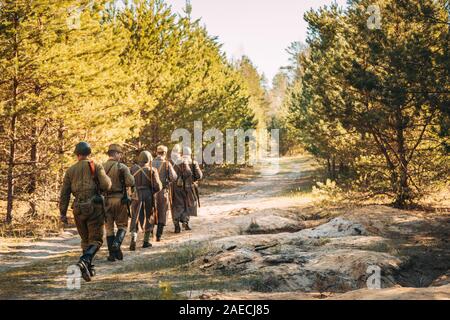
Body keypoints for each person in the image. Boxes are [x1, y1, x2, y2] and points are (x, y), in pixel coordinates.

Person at [59, 142, 112, 282]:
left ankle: (88, 268)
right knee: (97, 240)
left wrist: (62, 213)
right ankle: (84, 260)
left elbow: (64, 193)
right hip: (94, 207)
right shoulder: (96, 165)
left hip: (78, 208)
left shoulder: (70, 170)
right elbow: (107, 185)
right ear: (89, 153)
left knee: (85, 240)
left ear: (77, 154)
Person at [103, 144, 135, 262]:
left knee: (109, 228)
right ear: (116, 154)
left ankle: (112, 255)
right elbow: (131, 182)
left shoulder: (101, 167)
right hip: (120, 200)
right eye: (120, 154)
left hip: (105, 201)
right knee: (122, 225)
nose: (121, 156)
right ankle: (116, 244)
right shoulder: (122, 167)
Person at [129, 151, 162, 250]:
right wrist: (152, 191)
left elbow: (129, 182)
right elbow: (158, 186)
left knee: (135, 216)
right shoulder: (152, 169)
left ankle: (133, 238)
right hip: (148, 195)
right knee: (149, 216)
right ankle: (146, 241)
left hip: (136, 195)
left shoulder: (132, 168)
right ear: (149, 159)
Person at [171, 146, 203, 233]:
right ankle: (185, 222)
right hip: (189, 187)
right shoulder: (193, 162)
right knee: (187, 205)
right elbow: (199, 176)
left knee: (177, 205)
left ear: (182, 153)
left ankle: (176, 224)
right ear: (190, 153)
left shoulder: (175, 161)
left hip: (176, 187)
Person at [152, 145, 177, 241]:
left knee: (152, 212)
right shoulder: (167, 163)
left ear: (157, 153)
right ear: (165, 153)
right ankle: (159, 235)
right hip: (163, 192)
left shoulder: (151, 163)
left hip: (152, 192)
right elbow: (173, 177)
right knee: (163, 212)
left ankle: (150, 234)